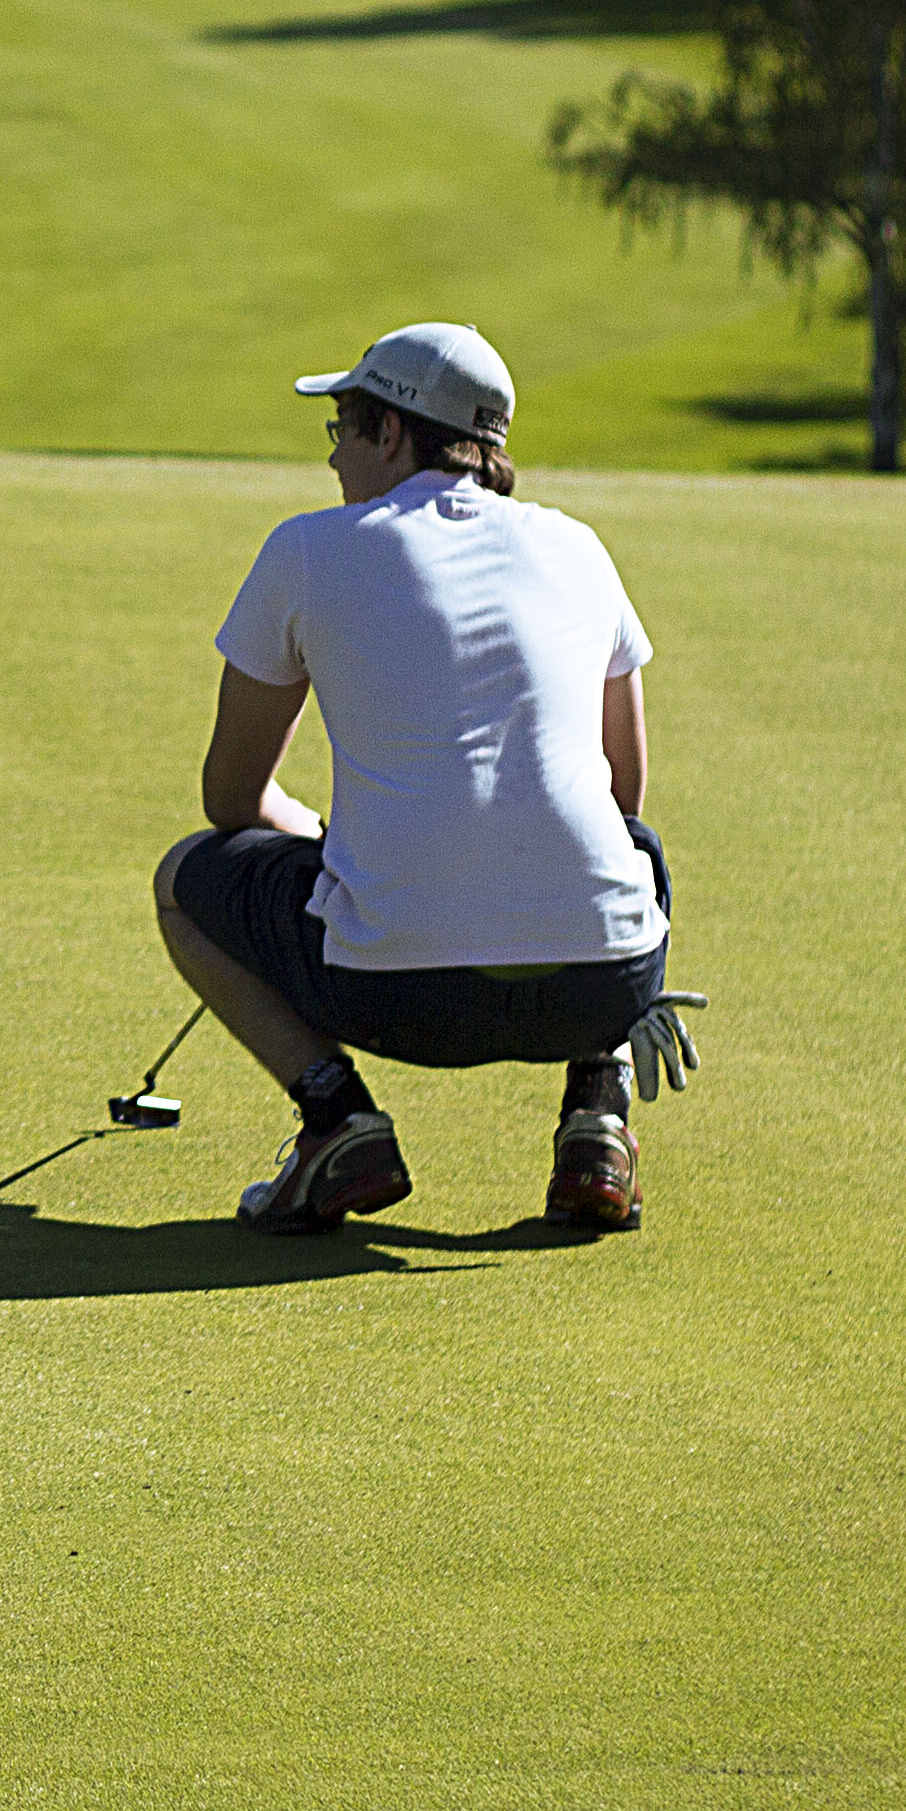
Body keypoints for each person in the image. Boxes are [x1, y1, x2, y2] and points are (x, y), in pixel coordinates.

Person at [151, 320, 683, 1233]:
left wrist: (326, 836)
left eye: (343, 431)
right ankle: (598, 1113)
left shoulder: (307, 549)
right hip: (599, 984)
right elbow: (621, 792)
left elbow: (233, 804)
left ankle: (336, 1118)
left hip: (397, 997)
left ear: (391, 433)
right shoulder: (580, 547)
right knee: (639, 849)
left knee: (182, 879)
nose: (334, 464)